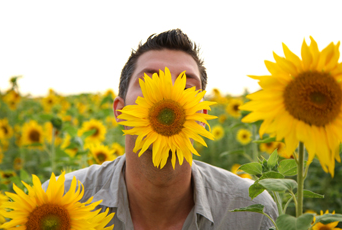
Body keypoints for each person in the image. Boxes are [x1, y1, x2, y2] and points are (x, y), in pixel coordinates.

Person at [43, 28, 278, 230]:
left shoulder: (251, 211)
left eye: (186, 86)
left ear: (203, 116)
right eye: (150, 83)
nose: (169, 94)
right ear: (120, 111)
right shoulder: (59, 203)